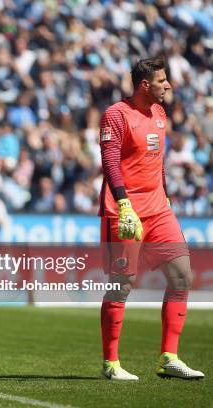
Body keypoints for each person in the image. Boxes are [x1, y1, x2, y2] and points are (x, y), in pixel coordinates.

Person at [98, 56, 204, 381]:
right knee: (123, 283)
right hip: (125, 209)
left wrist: (166, 192)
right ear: (145, 85)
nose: (168, 85)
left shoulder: (160, 113)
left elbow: (157, 161)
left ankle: (169, 357)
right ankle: (111, 364)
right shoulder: (116, 115)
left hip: (159, 208)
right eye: (162, 81)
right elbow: (111, 161)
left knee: (182, 276)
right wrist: (124, 202)